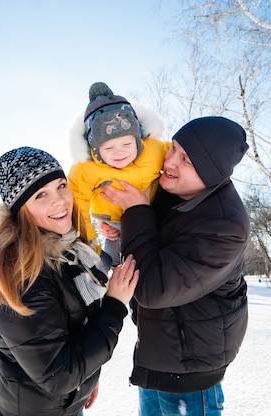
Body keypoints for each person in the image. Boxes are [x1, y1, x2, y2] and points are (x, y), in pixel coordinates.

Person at [100, 116, 250, 415]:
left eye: (187, 161)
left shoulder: (224, 224)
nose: (169, 163)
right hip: (159, 355)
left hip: (192, 371)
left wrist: (137, 212)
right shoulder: (172, 194)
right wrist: (124, 229)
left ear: (210, 174)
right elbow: (146, 250)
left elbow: (152, 289)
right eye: (174, 149)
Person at [0, 146, 139, 416]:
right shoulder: (21, 273)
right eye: (41, 194)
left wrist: (87, 376)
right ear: (21, 209)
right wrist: (114, 305)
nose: (60, 201)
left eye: (61, 186)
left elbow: (73, 333)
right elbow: (59, 375)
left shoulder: (68, 253)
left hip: (66, 406)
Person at [68, 81, 170, 266]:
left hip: (152, 217)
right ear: (95, 149)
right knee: (111, 262)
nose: (119, 152)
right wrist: (90, 242)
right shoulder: (86, 169)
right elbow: (78, 204)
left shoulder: (155, 149)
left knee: (149, 260)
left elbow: (181, 156)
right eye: (108, 147)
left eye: (127, 144)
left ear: (138, 140)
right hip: (113, 225)